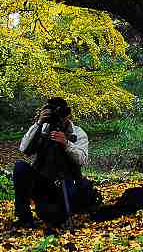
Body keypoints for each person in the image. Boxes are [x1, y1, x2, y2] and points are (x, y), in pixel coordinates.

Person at [12, 97, 91, 230]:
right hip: (43, 182)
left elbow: (83, 160)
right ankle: (23, 217)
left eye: (61, 114)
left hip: (66, 183)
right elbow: (24, 149)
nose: (58, 118)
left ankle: (61, 210)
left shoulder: (77, 133)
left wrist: (66, 143)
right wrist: (38, 124)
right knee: (20, 166)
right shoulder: (43, 129)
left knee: (52, 217)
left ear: (68, 115)